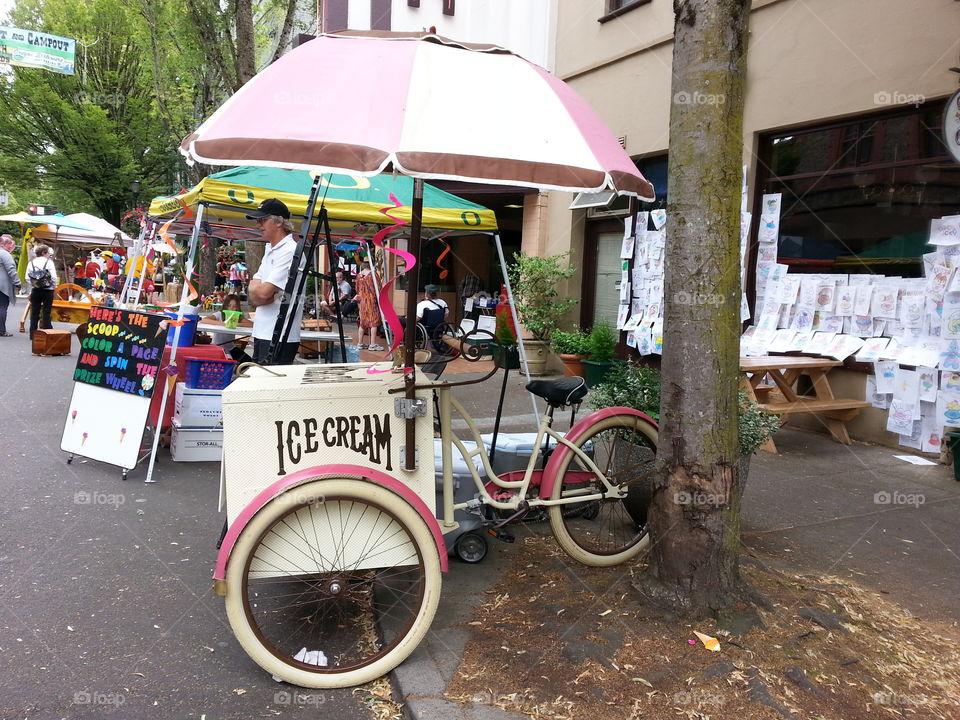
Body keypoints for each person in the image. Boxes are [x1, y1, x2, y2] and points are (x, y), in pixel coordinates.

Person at [245, 198, 303, 365]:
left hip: (279, 334)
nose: (258, 224)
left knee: (266, 387)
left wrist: (259, 292)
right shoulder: (271, 249)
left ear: (279, 222)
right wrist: (259, 293)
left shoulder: (291, 250)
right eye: (258, 220)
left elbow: (262, 293)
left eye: (263, 220)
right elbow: (256, 294)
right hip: (265, 331)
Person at [25, 244, 58, 340]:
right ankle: (47, 332)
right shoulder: (49, 262)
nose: (49, 254)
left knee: (35, 312)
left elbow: (27, 277)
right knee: (46, 312)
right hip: (48, 290)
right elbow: (53, 277)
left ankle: (33, 333)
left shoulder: (31, 263)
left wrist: (35, 284)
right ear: (44, 253)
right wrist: (54, 286)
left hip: (36, 289)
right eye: (48, 252)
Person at [354, 266, 383, 351]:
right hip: (371, 300)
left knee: (363, 321)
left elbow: (357, 288)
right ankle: (373, 344)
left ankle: (360, 343)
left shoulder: (359, 275)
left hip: (362, 300)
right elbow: (378, 288)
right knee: (374, 321)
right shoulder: (373, 275)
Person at [0, 234, 21, 337]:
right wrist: (17, 283)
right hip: (2, 286)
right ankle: (1, 330)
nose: (10, 245)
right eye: (8, 243)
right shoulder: (5, 254)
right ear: (2, 243)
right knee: (2, 307)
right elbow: (11, 270)